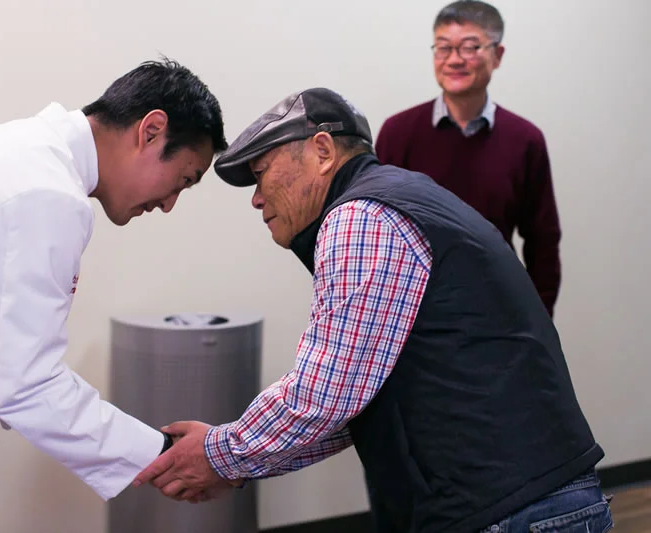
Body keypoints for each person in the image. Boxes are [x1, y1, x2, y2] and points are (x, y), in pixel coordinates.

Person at [133, 88, 612, 532]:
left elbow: (327, 394)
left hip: (512, 510)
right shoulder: (399, 198)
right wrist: (233, 460)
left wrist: (220, 455)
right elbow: (353, 402)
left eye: (261, 174)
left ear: (322, 152)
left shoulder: (360, 217)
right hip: (527, 502)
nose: (257, 198)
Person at [0, 58, 226, 533]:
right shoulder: (44, 194)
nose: (170, 203)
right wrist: (162, 455)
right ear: (151, 131)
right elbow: (28, 387)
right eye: (184, 179)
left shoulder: (18, 151)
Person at [375, 0, 562, 317]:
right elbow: (376, 230)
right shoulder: (397, 133)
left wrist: (537, 323)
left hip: (497, 312)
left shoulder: (526, 140)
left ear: (497, 55)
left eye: (470, 47)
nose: (454, 60)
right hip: (412, 315)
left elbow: (542, 242)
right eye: (443, 48)